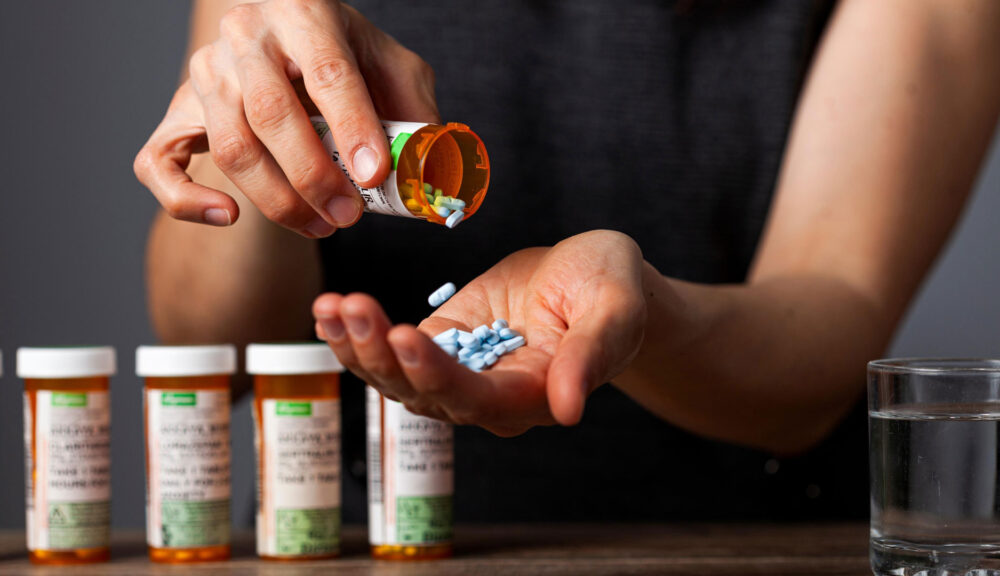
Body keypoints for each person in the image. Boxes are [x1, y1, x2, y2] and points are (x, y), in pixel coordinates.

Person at [135, 0, 1000, 522]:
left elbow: (830, 316)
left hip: (737, 545)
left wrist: (644, 315)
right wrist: (257, 134)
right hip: (369, 546)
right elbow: (218, 338)